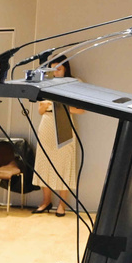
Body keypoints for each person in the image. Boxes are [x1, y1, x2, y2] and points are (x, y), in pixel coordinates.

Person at [28, 59, 79, 216]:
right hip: (47, 123)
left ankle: (62, 205)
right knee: (45, 162)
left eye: (59, 69)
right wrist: (46, 105)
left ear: (65, 69)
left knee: (65, 163)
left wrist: (59, 105)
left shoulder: (74, 83)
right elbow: (40, 110)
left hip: (64, 123)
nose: (55, 72)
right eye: (52, 69)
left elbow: (81, 109)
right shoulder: (45, 85)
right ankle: (46, 201)